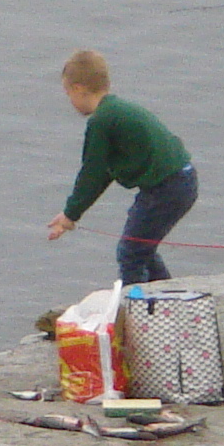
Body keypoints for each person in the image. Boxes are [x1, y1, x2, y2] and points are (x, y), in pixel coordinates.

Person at [44, 49, 198, 283]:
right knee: (142, 249)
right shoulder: (117, 110)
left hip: (167, 187)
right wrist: (70, 215)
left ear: (78, 89)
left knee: (131, 252)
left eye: (68, 93)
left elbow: (92, 173)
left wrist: (71, 214)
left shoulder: (102, 120)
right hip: (182, 180)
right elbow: (104, 171)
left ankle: (135, 303)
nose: (70, 101)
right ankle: (164, 297)